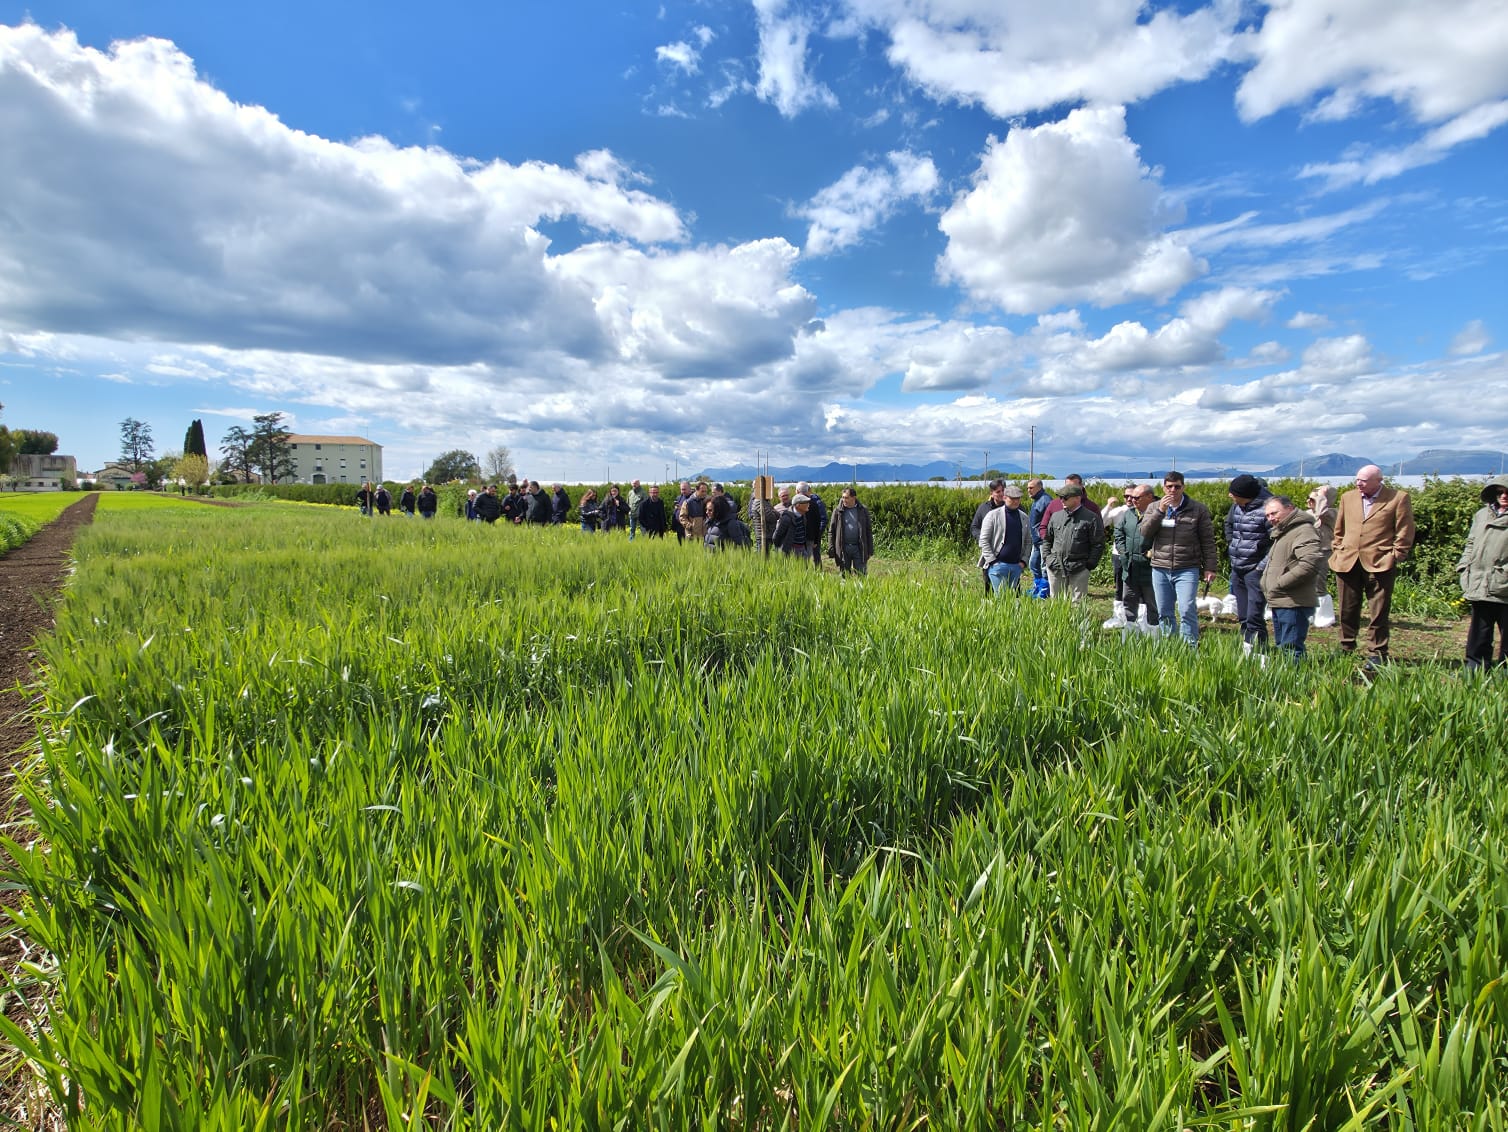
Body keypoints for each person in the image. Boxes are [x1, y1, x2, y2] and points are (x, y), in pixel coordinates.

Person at [1330, 464, 1415, 666]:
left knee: (1378, 610)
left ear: (1379, 480)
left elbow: (1405, 528)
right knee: (1346, 608)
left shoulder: (1398, 498)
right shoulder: (1347, 497)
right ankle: (1346, 646)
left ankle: (1377, 652)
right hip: (1347, 560)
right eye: (1357, 479)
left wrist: (1396, 554)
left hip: (1380, 561)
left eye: (1364, 481)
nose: (1358, 483)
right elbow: (1339, 527)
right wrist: (1338, 547)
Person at [1139, 471, 1218, 646]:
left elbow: (1208, 540)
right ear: (1163, 487)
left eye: (1177, 487)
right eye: (1169, 487)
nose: (1173, 490)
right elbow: (1145, 533)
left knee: (1186, 609)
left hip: (1187, 567)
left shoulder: (1198, 509)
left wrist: (1210, 567)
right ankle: (1169, 645)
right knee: (1164, 610)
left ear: (1183, 487)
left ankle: (1189, 648)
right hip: (1160, 566)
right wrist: (1160, 511)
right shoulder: (1154, 507)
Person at [1261, 494, 1324, 660]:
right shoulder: (1284, 531)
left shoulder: (1303, 530)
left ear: (1289, 508)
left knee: (1291, 649)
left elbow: (1310, 564)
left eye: (1274, 513)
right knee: (1283, 647)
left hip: (1294, 600)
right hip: (1281, 599)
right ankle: (1285, 682)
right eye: (1267, 515)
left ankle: (1295, 683)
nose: (1271, 518)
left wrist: (1279, 583)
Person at [1457, 479, 1508, 671]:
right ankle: (1475, 668)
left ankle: (1505, 671)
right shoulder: (1482, 515)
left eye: (1507, 492)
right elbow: (1471, 543)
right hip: (1478, 580)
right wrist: (1464, 566)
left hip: (1504, 584)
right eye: (1499, 492)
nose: (1503, 496)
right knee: (1480, 629)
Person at [1225, 474, 1274, 653]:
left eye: (1233, 493)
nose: (1230, 496)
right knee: (1243, 615)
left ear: (1246, 494)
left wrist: (1260, 567)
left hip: (1255, 570)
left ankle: (1260, 652)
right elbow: (1229, 525)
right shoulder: (1237, 506)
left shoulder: (1268, 510)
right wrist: (1232, 543)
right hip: (1237, 567)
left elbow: (1276, 543)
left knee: (1255, 615)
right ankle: (1247, 650)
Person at [1043, 486, 1105, 602]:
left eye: (1065, 498)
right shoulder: (1056, 516)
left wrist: (1090, 564)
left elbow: (1098, 544)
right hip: (1055, 566)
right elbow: (1047, 539)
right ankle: (1059, 621)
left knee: (1078, 604)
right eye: (1060, 497)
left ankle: (1076, 621)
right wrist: (1047, 558)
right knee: (1056, 602)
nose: (1061, 500)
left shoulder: (1091, 518)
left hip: (1079, 568)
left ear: (1077, 498)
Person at [1115, 485, 1159, 632]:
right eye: (1130, 497)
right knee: (1129, 599)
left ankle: (1155, 632)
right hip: (1130, 567)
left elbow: (1167, 538)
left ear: (1149, 497)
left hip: (1151, 569)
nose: (1132, 500)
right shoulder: (1129, 514)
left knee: (1153, 602)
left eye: (1136, 497)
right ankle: (1130, 629)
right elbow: (1118, 532)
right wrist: (1123, 552)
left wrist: (1154, 552)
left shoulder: (1159, 513)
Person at [978, 483, 1030, 594]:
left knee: (1015, 600)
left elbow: (1028, 541)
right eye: (1012, 498)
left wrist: (1023, 561)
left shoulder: (1024, 517)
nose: (1016, 501)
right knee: (1000, 600)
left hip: (1016, 565)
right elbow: (984, 540)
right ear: (1005, 498)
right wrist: (993, 561)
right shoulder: (992, 515)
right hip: (997, 565)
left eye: (1018, 498)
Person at [1101, 487, 1133, 627]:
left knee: (1137, 587)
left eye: (1133, 496)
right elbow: (1101, 521)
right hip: (1118, 554)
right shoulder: (1119, 511)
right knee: (1119, 585)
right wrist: (1108, 506)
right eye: (1126, 496)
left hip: (1138, 555)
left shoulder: (1146, 511)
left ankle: (1136, 617)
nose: (1130, 499)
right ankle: (1119, 616)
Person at [1306, 484, 1338, 625]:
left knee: (1319, 583)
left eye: (1313, 500)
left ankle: (1324, 616)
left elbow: (1321, 513)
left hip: (1323, 551)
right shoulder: (1307, 513)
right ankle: (1308, 613)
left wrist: (1322, 496)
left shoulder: (1332, 513)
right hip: (1308, 551)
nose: (1309, 502)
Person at [971, 480, 1008, 595]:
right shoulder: (984, 508)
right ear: (991, 493)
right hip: (989, 551)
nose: (1001, 494)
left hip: (1008, 551)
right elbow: (974, 527)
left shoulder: (1012, 507)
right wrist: (982, 539)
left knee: (1011, 586)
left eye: (1003, 491)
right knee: (989, 583)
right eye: (998, 491)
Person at [828, 486, 873, 576]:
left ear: (854, 498)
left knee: (862, 575)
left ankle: (862, 590)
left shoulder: (862, 510)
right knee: (844, 576)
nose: (844, 500)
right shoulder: (837, 511)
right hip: (843, 548)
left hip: (859, 548)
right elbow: (831, 531)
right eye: (843, 497)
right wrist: (831, 548)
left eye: (846, 498)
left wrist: (870, 550)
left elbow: (868, 530)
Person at [1026, 478, 1053, 584]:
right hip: (1036, 540)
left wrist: (1044, 536)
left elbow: (1052, 520)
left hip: (1043, 540)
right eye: (1028, 488)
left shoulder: (1046, 500)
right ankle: (1037, 586)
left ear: (1039, 487)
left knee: (1044, 566)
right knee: (1033, 564)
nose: (1028, 490)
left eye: (1031, 488)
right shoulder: (1037, 500)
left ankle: (1045, 590)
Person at [797, 482, 827, 570]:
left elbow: (821, 520)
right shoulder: (797, 503)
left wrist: (817, 536)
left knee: (815, 557)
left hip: (812, 536)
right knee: (804, 559)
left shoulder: (815, 503)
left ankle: (818, 574)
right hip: (806, 536)